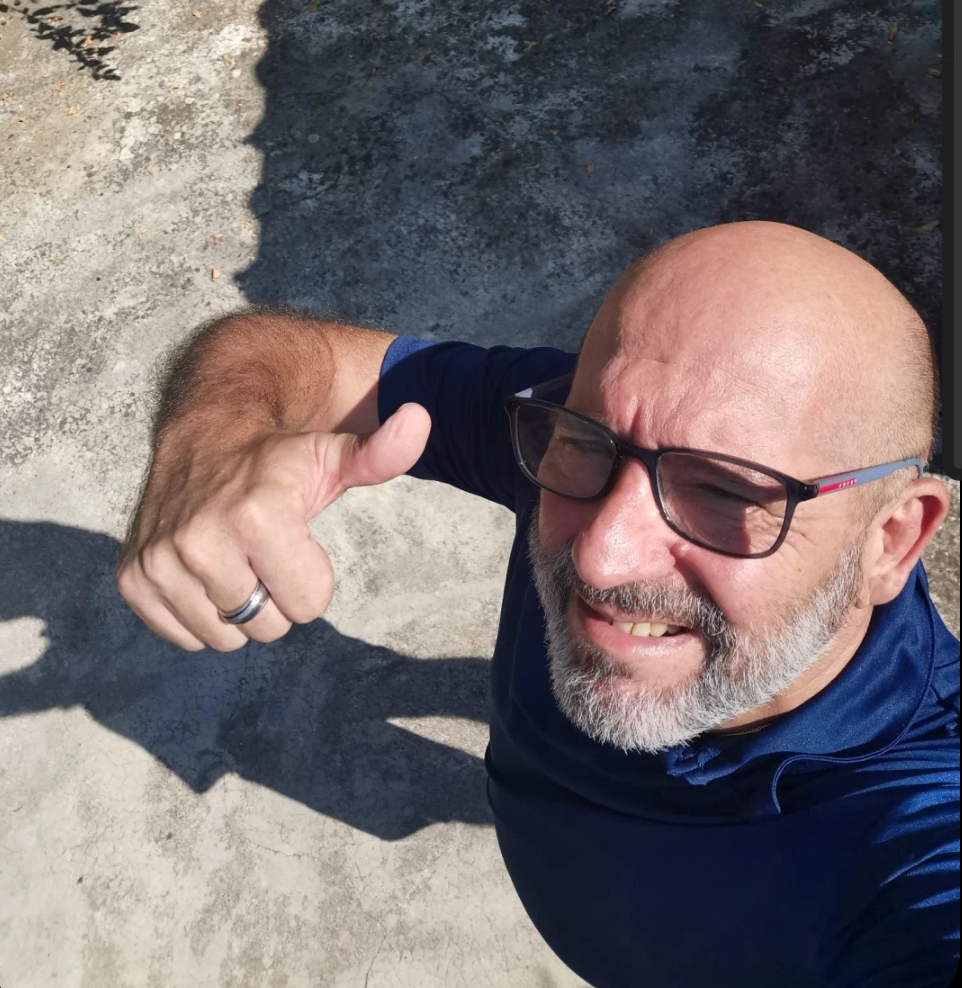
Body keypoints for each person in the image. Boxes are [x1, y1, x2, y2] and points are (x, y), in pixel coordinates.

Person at [117, 221, 959, 988]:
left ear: (891, 540)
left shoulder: (919, 822)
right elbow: (293, 356)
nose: (599, 553)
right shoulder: (569, 434)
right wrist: (212, 437)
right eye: (588, 441)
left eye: (723, 490)